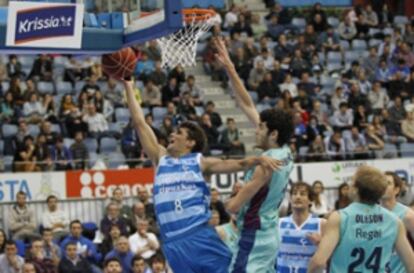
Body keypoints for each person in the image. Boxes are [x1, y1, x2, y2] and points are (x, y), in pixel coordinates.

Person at [124, 78, 282, 273]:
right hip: (172, 243)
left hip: (199, 236)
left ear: (190, 142)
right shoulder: (160, 158)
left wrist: (258, 160)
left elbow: (234, 163)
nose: (172, 134)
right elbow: (139, 123)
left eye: (179, 132)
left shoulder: (199, 162)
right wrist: (129, 86)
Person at [214, 37, 295, 273]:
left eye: (261, 127)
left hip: (254, 236)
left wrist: (215, 200)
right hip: (269, 233)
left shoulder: (265, 165)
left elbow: (233, 207)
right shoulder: (285, 151)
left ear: (273, 133)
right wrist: (230, 68)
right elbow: (247, 103)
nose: (256, 129)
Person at [308, 166, 414, 273]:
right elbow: (411, 265)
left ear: (355, 189)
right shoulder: (395, 221)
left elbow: (318, 263)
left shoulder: (340, 217)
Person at [276, 182, 326, 272]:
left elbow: (332, 257)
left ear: (310, 200)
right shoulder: (279, 223)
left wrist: (321, 244)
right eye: (294, 193)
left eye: (302, 194)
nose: (298, 197)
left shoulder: (321, 224)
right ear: (290, 199)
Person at [381, 171, 414, 273]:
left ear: (396, 190)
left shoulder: (408, 216)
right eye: (380, 183)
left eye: (388, 183)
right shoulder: (371, 215)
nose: (383, 186)